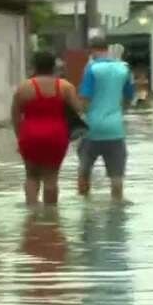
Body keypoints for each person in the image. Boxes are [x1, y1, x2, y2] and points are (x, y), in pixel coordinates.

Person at [12, 50, 86, 206]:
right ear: (54, 67)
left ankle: (32, 214)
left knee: (31, 176)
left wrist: (20, 138)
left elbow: (15, 116)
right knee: (51, 178)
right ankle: (51, 217)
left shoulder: (24, 88)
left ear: (34, 66)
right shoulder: (65, 86)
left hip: (30, 136)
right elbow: (79, 108)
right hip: (56, 136)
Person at [77, 34, 136, 201]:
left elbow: (85, 100)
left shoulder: (92, 69)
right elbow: (129, 97)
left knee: (84, 171)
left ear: (92, 50)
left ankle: (84, 205)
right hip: (115, 129)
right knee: (117, 178)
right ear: (107, 49)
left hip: (92, 129)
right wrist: (119, 112)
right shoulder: (125, 68)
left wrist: (79, 118)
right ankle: (117, 210)